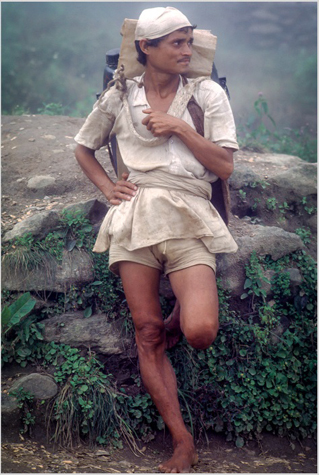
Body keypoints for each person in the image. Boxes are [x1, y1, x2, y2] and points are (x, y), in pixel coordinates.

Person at [74, 6, 238, 472]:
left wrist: (181, 127)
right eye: (176, 42)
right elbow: (83, 146)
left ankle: (175, 319)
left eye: (189, 42)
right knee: (147, 332)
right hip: (134, 217)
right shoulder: (120, 96)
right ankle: (182, 443)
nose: (186, 50)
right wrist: (108, 188)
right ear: (145, 48)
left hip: (189, 214)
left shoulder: (205, 94)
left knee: (200, 331)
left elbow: (224, 166)